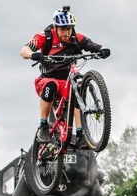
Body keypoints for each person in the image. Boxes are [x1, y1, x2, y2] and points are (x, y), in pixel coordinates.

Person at [20, 6, 110, 145]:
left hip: (68, 80)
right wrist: (33, 54)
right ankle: (43, 126)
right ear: (55, 27)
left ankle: (81, 133)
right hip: (47, 79)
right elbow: (24, 50)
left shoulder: (77, 38)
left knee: (79, 89)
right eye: (63, 29)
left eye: (69, 29)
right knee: (51, 85)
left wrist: (103, 50)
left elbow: (95, 46)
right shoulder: (44, 37)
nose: (67, 33)